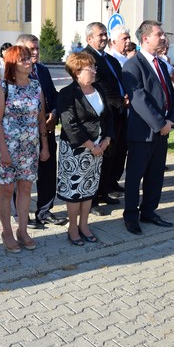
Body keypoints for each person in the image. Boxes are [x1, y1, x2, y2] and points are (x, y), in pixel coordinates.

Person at [0, 46, 49, 253]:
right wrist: (4, 151)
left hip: (30, 148)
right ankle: (7, 232)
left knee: (25, 189)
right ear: (12, 63)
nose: (28, 62)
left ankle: (22, 230)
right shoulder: (3, 87)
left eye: (28, 58)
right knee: (7, 189)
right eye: (22, 59)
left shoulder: (36, 86)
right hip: (7, 148)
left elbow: (41, 119)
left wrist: (44, 146)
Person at [121, 20, 174, 236]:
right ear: (145, 38)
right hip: (142, 133)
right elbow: (139, 99)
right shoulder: (133, 65)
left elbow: (171, 96)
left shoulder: (161, 64)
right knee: (135, 177)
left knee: (156, 175)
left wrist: (170, 120)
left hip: (162, 131)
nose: (163, 37)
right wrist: (160, 124)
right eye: (159, 34)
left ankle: (149, 212)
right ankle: (131, 216)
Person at [57, 52, 113, 245]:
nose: (95, 71)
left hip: (98, 148)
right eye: (91, 68)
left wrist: (107, 140)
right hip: (76, 150)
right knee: (75, 191)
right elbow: (69, 124)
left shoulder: (99, 89)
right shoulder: (67, 93)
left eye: (95, 67)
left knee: (89, 188)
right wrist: (91, 146)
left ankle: (84, 225)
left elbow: (108, 116)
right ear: (77, 71)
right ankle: (73, 227)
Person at [15, 34, 67, 227]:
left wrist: (54, 113)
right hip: (24, 134)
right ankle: (20, 215)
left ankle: (45, 211)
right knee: (23, 175)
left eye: (37, 48)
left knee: (47, 172)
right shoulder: (13, 73)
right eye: (31, 49)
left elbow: (53, 95)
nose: (36, 52)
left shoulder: (42, 70)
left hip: (47, 130)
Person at [83, 22, 127, 215]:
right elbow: (99, 85)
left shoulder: (110, 59)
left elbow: (120, 82)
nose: (104, 37)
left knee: (110, 156)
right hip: (98, 116)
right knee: (95, 159)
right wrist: (121, 101)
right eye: (100, 35)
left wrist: (126, 98)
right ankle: (91, 201)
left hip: (116, 115)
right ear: (89, 38)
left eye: (105, 34)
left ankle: (103, 191)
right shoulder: (86, 58)